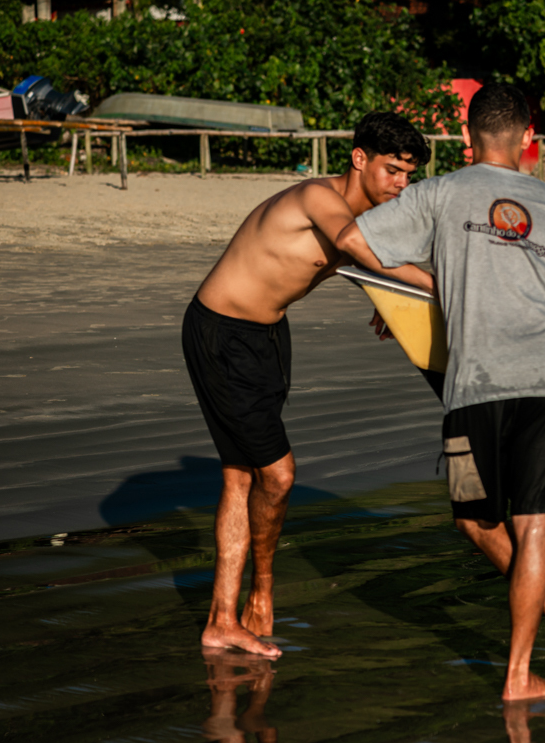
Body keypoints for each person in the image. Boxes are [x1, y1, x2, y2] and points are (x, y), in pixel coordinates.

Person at [336, 84, 545, 701]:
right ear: (528, 138)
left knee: (479, 521)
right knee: (530, 529)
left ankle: (527, 669)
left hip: (475, 384)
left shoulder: (439, 192)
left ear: (466, 135)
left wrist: (430, 287)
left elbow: (353, 241)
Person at [183, 112, 434, 658]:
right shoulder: (319, 198)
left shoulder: (361, 217)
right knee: (278, 475)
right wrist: (442, 288)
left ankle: (223, 620)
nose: (401, 184)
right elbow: (354, 245)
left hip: (268, 339)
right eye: (392, 170)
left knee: (241, 476)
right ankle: (260, 594)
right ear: (359, 158)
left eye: (408, 175)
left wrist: (389, 302)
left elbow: (358, 262)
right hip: (222, 334)